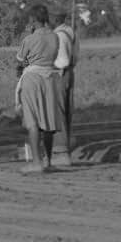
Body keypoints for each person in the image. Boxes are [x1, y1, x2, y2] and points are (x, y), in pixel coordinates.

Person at [15, 4, 66, 174]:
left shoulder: (29, 39)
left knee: (33, 122)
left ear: (33, 19)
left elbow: (20, 61)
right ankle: (48, 161)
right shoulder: (55, 37)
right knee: (49, 122)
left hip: (32, 80)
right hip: (50, 79)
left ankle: (36, 162)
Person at [52, 11, 79, 153]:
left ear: (57, 19)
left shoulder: (58, 35)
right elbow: (76, 55)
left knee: (59, 109)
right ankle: (67, 141)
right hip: (70, 72)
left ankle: (61, 145)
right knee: (68, 109)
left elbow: (62, 60)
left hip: (60, 73)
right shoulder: (71, 32)